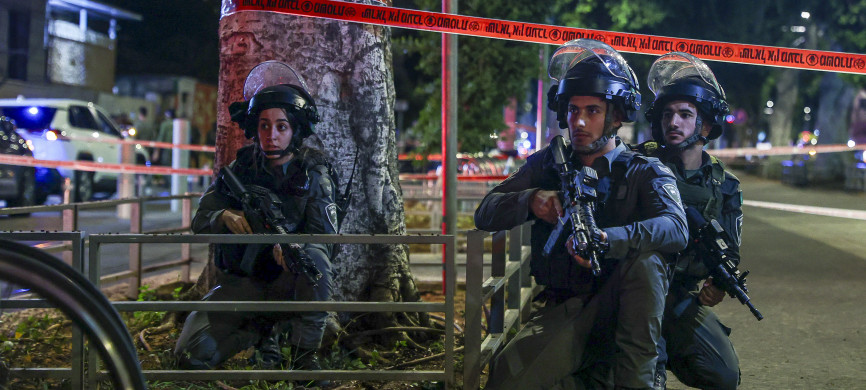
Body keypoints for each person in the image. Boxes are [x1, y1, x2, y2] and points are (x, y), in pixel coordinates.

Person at [474, 39, 688, 390]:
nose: (580, 121)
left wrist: (609, 240)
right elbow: (485, 211)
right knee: (506, 379)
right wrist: (531, 200)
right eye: (573, 111)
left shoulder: (644, 170)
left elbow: (675, 227)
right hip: (568, 307)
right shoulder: (548, 163)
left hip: (627, 310)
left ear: (616, 116)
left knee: (648, 260)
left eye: (593, 110)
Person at [174, 62, 337, 388]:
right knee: (190, 356)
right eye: (264, 125)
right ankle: (261, 334)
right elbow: (200, 219)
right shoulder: (240, 169)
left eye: (281, 126)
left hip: (288, 285)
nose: (271, 135)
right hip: (242, 286)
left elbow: (327, 239)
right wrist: (223, 217)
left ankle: (303, 360)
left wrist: (296, 245)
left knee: (315, 259)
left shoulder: (312, 173)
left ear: (295, 130)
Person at [638, 52, 742, 390]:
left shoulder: (724, 186)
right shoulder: (637, 163)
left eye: (685, 114)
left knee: (723, 374)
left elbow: (729, 247)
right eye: (667, 114)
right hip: (628, 292)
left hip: (680, 295)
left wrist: (718, 285)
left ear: (706, 125)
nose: (674, 122)